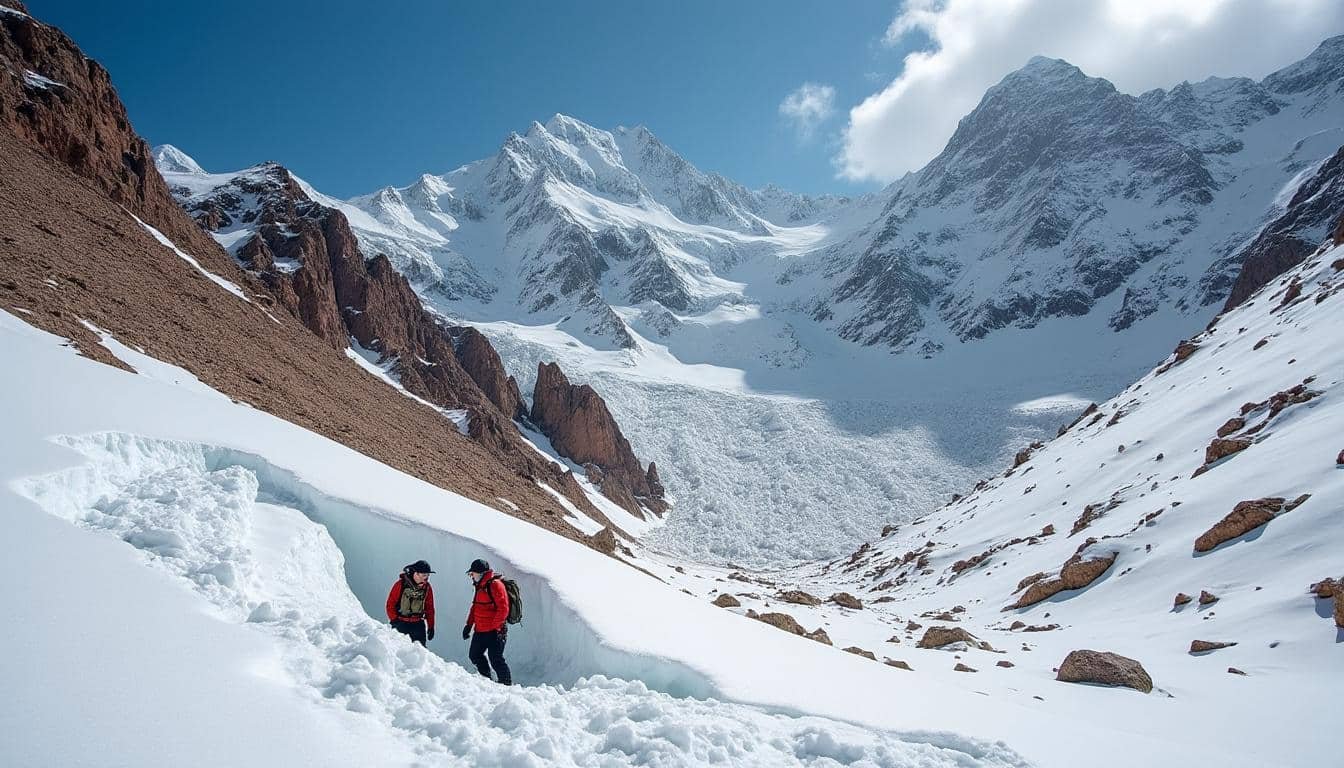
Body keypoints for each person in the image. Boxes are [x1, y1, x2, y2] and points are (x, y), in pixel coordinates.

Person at [463, 558, 511, 685]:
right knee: (474, 655)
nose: (471, 576)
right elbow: (475, 607)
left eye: (472, 573)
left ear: (480, 573)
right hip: (480, 630)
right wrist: (468, 625)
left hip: (496, 631)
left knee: (496, 659)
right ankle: (487, 680)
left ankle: (507, 685)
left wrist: (495, 627)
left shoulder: (495, 585)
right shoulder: (479, 586)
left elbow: (504, 608)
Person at [386, 560, 436, 646]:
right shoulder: (401, 584)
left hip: (418, 625)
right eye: (424, 575)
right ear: (416, 574)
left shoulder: (427, 588)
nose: (426, 578)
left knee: (419, 653)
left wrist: (431, 627)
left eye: (428, 575)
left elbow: (429, 608)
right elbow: (390, 604)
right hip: (400, 623)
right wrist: (394, 620)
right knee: (399, 651)